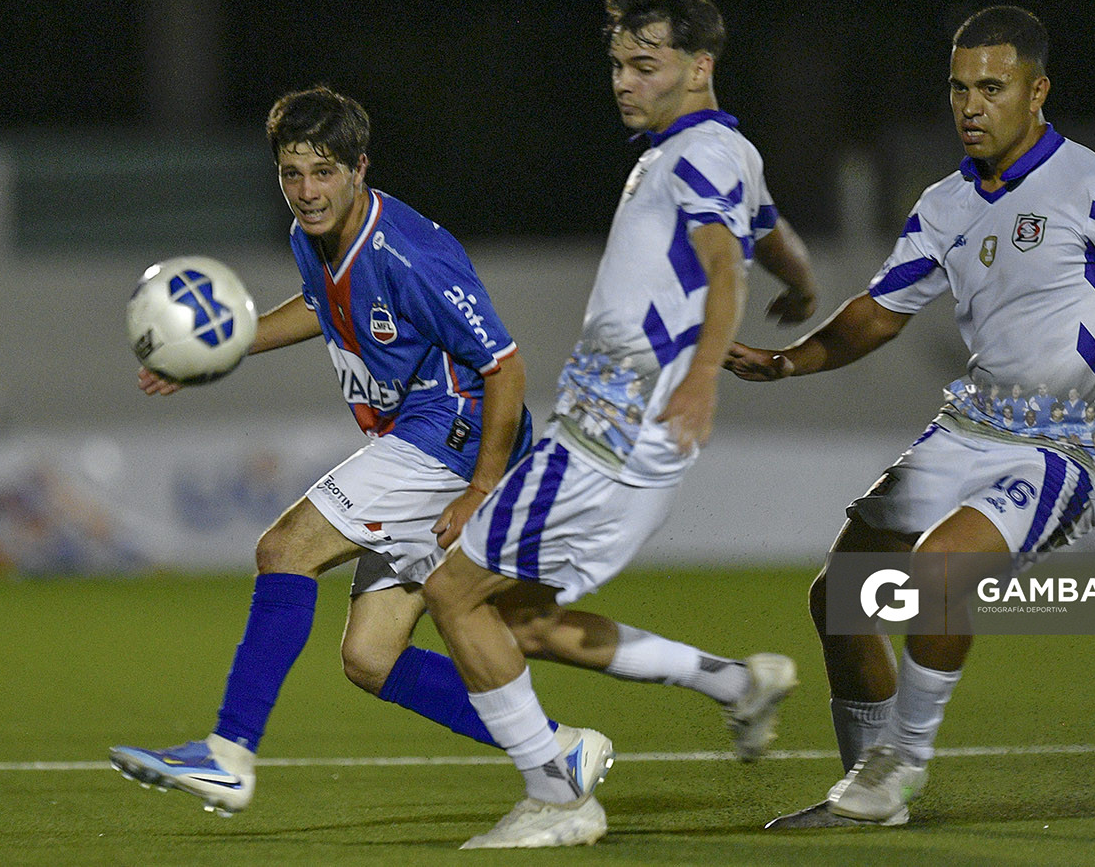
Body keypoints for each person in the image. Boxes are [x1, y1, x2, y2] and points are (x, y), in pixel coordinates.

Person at [109, 85, 787, 817]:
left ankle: (229, 752)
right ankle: (668, 706)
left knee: (284, 549)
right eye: (292, 174)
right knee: (393, 654)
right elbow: (318, 304)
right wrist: (220, 345)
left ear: (360, 167)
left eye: (324, 172)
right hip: (423, 443)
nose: (307, 191)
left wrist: (479, 486)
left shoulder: (410, 254)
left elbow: (506, 365)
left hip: (450, 440)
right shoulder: (314, 235)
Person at [726, 5, 1095, 829]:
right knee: (840, 595)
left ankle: (901, 768)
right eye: (959, 89)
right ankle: (869, 791)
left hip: (1063, 447)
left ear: (1037, 90)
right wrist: (788, 361)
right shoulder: (945, 203)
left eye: (992, 87)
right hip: (970, 427)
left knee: (940, 573)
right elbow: (879, 312)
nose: (971, 106)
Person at [420, 0, 816, 849]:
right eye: (618, 66)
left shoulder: (700, 155)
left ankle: (558, 797)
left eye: (645, 64)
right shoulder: (721, 153)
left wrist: (708, 369)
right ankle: (735, 683)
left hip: (608, 435)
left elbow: (727, 268)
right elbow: (770, 237)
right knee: (525, 620)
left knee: (451, 592)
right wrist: (805, 280)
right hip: (632, 442)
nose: (625, 83)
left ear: (700, 64)